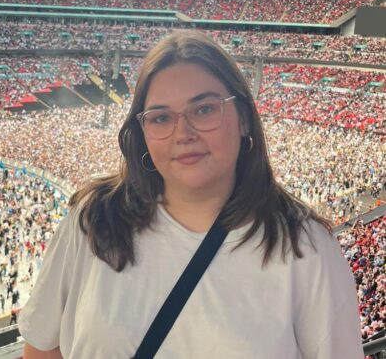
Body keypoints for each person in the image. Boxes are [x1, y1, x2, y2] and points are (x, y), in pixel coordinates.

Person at [18, 31, 364, 358]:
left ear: (244, 118)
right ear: (142, 132)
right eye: (160, 118)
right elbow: (42, 347)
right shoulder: (93, 220)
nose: (182, 133)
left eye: (204, 109)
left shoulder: (306, 248)